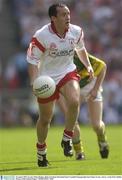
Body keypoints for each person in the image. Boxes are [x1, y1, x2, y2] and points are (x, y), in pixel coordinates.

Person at [27, 3, 94, 167]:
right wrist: (34, 82)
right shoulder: (41, 35)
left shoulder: (76, 31)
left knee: (74, 101)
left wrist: (88, 65)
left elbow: (81, 48)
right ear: (53, 18)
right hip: (46, 79)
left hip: (67, 72)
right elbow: (32, 61)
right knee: (45, 119)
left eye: (68, 13)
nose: (68, 17)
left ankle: (67, 137)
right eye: (63, 14)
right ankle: (41, 152)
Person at [57, 53, 109, 160]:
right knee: (71, 119)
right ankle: (79, 152)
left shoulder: (76, 54)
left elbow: (102, 66)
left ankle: (102, 139)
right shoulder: (55, 60)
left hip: (90, 85)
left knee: (96, 125)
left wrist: (95, 89)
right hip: (73, 88)